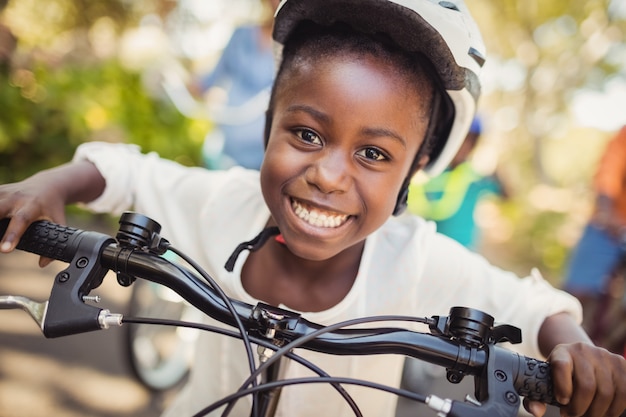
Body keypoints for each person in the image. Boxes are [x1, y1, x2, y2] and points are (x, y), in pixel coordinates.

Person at [0, 1, 625, 417]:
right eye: (306, 134)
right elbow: (126, 170)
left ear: (411, 175)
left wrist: (572, 343)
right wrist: (54, 184)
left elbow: (535, 306)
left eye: (374, 154)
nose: (327, 174)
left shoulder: (416, 261)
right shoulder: (225, 203)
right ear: (270, 123)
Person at [190, 0, 280, 170]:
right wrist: (172, 82)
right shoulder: (241, 35)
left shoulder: (298, 47)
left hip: (264, 157)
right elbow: (207, 82)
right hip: (227, 152)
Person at [563, 126, 626, 345]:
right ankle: (563, 333)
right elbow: (608, 172)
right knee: (578, 289)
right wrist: (606, 213)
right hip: (611, 222)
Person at [406, 116, 508, 250]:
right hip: (430, 246)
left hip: (463, 248)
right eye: (461, 139)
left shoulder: (475, 178)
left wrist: (498, 169)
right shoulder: (431, 172)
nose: (464, 146)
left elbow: (507, 195)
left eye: (470, 141)